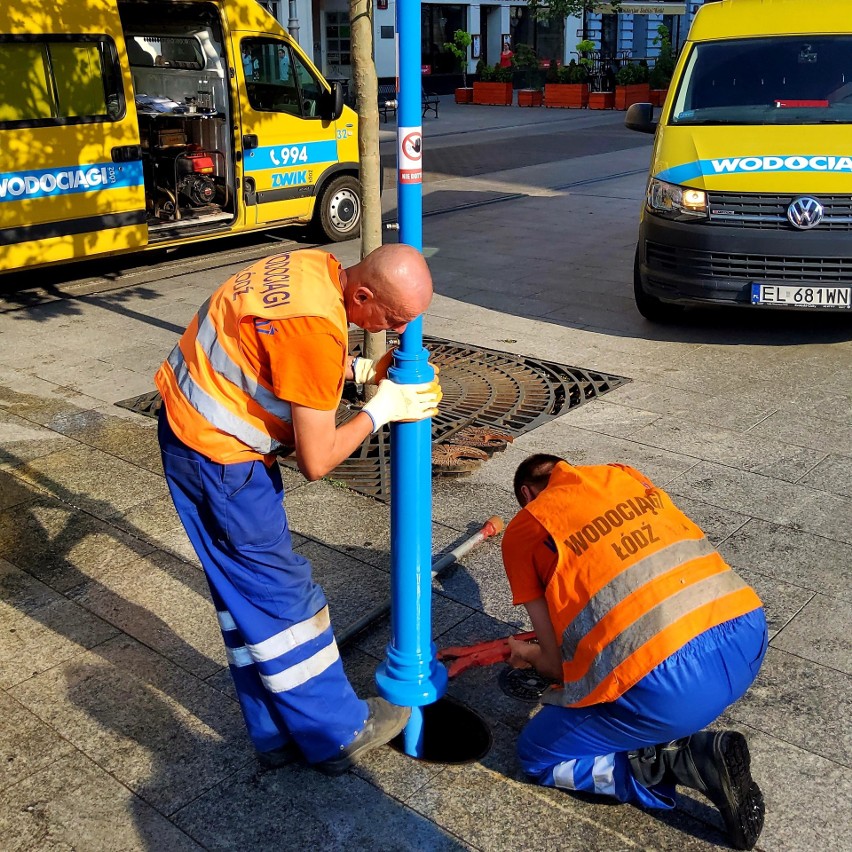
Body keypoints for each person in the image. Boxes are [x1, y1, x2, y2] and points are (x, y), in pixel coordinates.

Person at [154, 245, 441, 775]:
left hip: (190, 429)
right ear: (361, 295)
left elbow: (275, 356)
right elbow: (318, 459)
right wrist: (382, 409)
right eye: (395, 319)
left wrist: (353, 373)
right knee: (282, 597)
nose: (398, 331)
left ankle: (275, 731)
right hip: (221, 462)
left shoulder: (313, 267)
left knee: (244, 602)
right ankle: (337, 732)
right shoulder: (314, 331)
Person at [501, 454, 768, 850]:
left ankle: (681, 759)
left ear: (526, 494)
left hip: (671, 688)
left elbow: (556, 665)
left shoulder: (526, 528)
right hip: (749, 634)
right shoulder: (623, 475)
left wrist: (525, 651)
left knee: (538, 756)